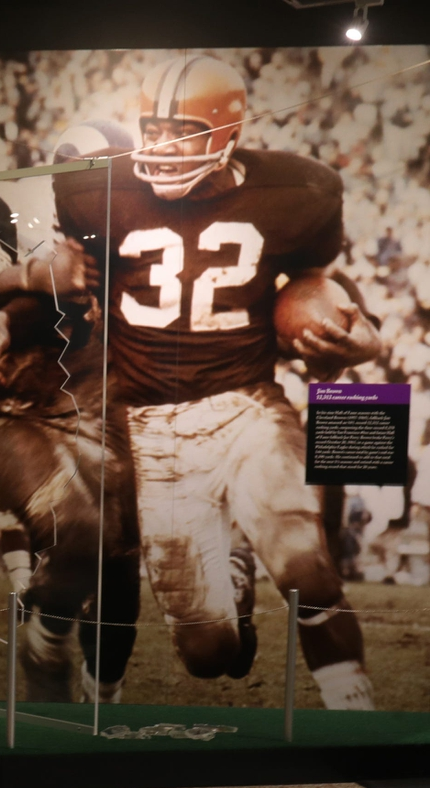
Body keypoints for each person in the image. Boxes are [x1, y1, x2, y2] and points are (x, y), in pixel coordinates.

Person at [55, 54, 381, 707]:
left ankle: (356, 724)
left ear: (229, 133)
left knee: (304, 569)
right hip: (150, 430)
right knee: (209, 655)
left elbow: (316, 285)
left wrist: (363, 337)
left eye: (184, 132)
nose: (162, 148)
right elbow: (69, 284)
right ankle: (232, 572)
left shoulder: (300, 192)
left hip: (247, 407)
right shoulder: (97, 190)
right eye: (153, 129)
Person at [0, 129, 142, 703]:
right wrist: (26, 281)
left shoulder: (144, 220)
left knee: (122, 560)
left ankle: (106, 699)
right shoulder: (8, 204)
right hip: (6, 400)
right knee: (78, 532)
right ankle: (47, 639)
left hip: (93, 395)